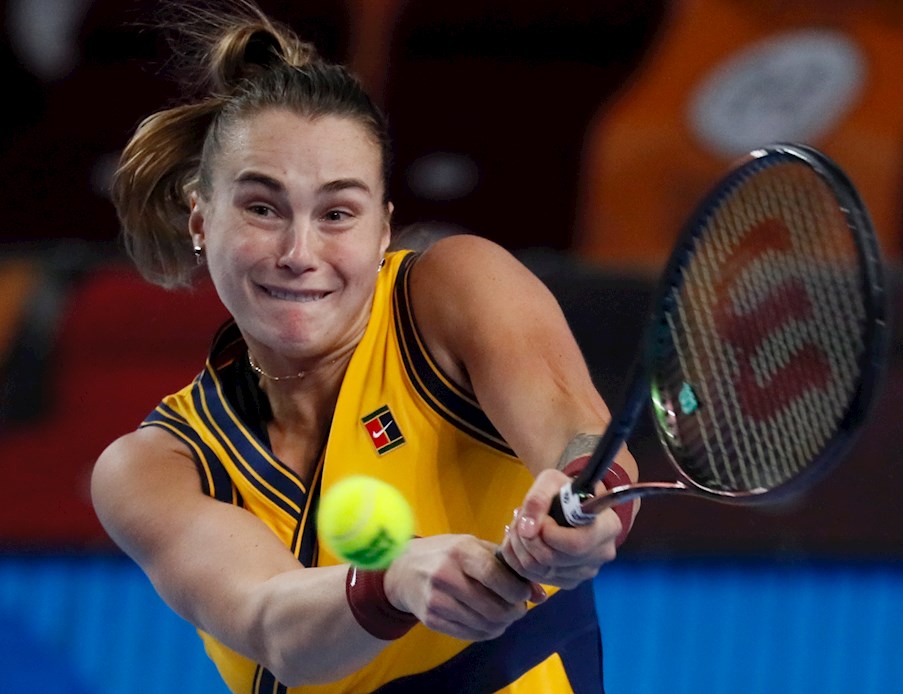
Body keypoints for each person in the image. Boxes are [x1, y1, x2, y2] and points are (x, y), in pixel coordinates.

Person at [90, 3, 639, 692]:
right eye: (261, 208)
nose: (299, 253)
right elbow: (270, 623)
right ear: (201, 219)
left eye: (336, 213)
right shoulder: (153, 467)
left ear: (382, 229)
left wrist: (586, 501)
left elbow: (579, 434)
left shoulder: (453, 291)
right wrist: (394, 580)